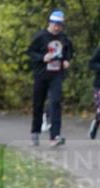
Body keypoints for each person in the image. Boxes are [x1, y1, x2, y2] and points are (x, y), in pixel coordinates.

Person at [27, 10, 73, 146]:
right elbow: (30, 52)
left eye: (60, 25)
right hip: (41, 74)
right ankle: (35, 131)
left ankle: (55, 136)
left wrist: (66, 60)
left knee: (56, 102)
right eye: (55, 24)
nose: (57, 27)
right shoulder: (41, 36)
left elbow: (69, 51)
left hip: (56, 74)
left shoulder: (63, 37)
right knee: (38, 103)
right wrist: (42, 58)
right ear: (50, 23)